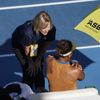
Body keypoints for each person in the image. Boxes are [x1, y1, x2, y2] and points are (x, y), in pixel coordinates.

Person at [11, 11, 56, 92]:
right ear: (37, 25)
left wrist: (38, 60)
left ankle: (40, 87)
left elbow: (45, 44)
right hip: (20, 45)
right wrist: (31, 62)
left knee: (38, 66)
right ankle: (27, 89)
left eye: (48, 27)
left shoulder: (51, 29)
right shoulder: (27, 33)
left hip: (35, 43)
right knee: (28, 68)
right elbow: (27, 50)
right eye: (43, 28)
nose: (46, 30)